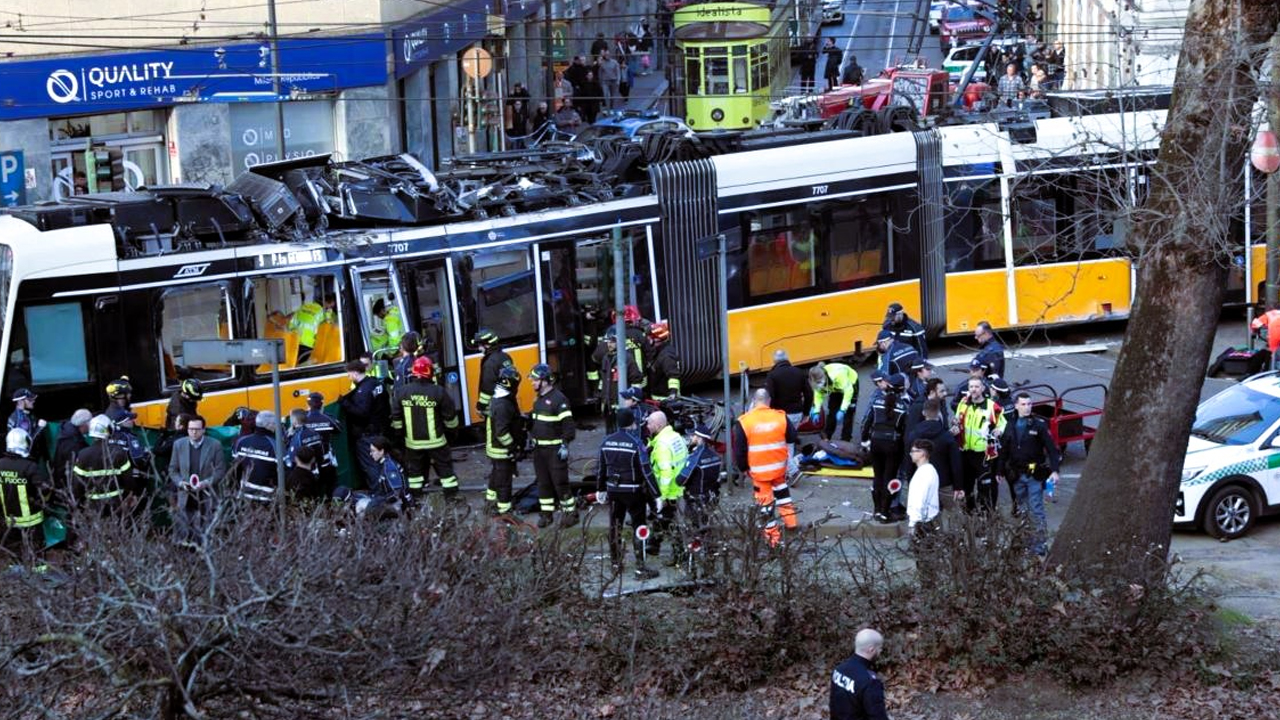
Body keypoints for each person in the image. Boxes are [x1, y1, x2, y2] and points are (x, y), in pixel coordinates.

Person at [596, 407, 660, 579]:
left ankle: (615, 564)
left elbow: (601, 468)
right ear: (632, 423)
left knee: (615, 526)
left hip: (613, 490)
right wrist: (657, 494)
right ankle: (640, 567)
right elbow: (647, 471)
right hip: (633, 491)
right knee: (639, 526)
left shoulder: (606, 441)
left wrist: (600, 489)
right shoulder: (636, 443)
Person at [733, 389, 800, 545]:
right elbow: (792, 438)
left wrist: (743, 468)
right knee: (784, 498)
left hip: (759, 472)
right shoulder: (780, 417)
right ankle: (791, 525)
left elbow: (739, 450)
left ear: (754, 402)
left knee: (765, 507)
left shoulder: (744, 421)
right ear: (769, 400)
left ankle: (773, 540)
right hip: (779, 470)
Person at [998, 392, 1060, 554]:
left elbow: (1052, 450)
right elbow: (1004, 449)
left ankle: (1039, 546)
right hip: (1016, 475)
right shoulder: (1010, 424)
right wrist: (999, 470)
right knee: (1023, 509)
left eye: (1029, 404)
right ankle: (1027, 541)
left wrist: (1055, 470)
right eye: (1023, 404)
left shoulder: (1038, 425)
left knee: (1036, 510)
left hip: (1034, 474)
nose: (1027, 407)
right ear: (1016, 406)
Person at [390, 356, 460, 501]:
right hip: (437, 442)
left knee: (415, 473)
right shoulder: (438, 392)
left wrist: (399, 437)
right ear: (430, 372)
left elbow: (396, 418)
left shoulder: (402, 392)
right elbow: (450, 417)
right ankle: (451, 498)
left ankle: (416, 499)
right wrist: (452, 433)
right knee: (445, 470)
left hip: (412, 443)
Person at [167, 415, 227, 548]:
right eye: (191, 429)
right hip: (185, 494)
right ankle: (185, 550)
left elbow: (220, 471)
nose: (193, 432)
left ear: (203, 430)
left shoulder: (214, 445)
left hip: (206, 494)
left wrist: (206, 483)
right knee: (184, 527)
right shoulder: (179, 444)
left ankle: (205, 551)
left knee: (205, 527)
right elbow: (173, 470)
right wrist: (181, 483)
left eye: (197, 429)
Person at [530, 363, 578, 527]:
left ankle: (571, 513)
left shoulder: (559, 399)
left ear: (545, 381)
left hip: (554, 450)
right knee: (543, 483)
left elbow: (569, 427)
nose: (532, 383)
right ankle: (546, 514)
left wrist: (564, 445)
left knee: (560, 483)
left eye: (535, 380)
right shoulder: (539, 400)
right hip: (539, 450)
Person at [861, 372, 909, 523]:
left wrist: (865, 441)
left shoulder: (877, 402)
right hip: (892, 444)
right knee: (890, 479)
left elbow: (867, 423)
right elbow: (904, 430)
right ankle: (885, 512)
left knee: (878, 477)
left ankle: (876, 510)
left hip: (875, 442)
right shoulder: (903, 406)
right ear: (902, 389)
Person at [954, 377, 1007, 512]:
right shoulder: (964, 402)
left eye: (977, 387)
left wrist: (998, 430)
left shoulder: (991, 406)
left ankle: (985, 515)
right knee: (967, 486)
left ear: (983, 388)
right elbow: (957, 419)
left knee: (984, 486)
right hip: (965, 451)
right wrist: (955, 425)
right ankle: (969, 513)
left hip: (983, 453)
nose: (973, 389)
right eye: (971, 387)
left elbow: (1002, 422)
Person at [341, 359, 390, 488]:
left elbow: (362, 412)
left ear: (356, 373)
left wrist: (345, 404)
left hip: (367, 434)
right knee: (381, 463)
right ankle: (387, 488)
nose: (348, 377)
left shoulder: (364, 389)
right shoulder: (375, 383)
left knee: (370, 465)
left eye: (349, 374)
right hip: (380, 430)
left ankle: (378, 492)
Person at [647, 410, 689, 565]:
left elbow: (665, 473)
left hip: (669, 492)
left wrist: (662, 496)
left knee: (670, 524)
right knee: (668, 522)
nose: (647, 425)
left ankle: (678, 555)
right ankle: (654, 545)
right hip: (679, 488)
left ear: (657, 425)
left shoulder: (662, 446)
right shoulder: (675, 437)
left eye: (649, 423)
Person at [72, 415, 134, 515]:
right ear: (109, 430)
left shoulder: (83, 455)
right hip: (116, 504)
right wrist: (128, 496)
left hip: (93, 506)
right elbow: (129, 480)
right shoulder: (119, 452)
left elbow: (77, 485)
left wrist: (80, 505)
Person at [0, 428, 48, 559]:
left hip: (10, 519)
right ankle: (40, 574)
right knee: (37, 551)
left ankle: (16, 574)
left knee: (14, 551)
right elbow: (44, 489)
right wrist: (45, 502)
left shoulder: (0, 465)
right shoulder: (29, 466)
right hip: (32, 519)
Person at [484, 366, 523, 517]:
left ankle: (490, 503)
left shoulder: (498, 399)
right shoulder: (503, 405)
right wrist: (513, 447)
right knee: (504, 482)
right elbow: (502, 433)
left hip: (495, 449)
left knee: (496, 477)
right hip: (502, 450)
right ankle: (505, 511)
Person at [904, 399, 961, 496]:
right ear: (939, 413)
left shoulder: (913, 435)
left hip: (921, 481)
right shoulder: (947, 436)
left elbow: (909, 461)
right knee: (950, 510)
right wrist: (958, 486)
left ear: (923, 413)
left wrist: (911, 483)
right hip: (944, 482)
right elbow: (956, 463)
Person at [829, 628, 888, 720]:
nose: (880, 652)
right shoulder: (870, 682)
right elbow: (877, 716)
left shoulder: (839, 670)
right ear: (871, 649)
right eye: (880, 648)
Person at [595, 328, 645, 433]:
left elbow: (636, 379)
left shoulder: (627, 358)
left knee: (623, 432)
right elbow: (604, 380)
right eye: (608, 341)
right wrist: (601, 397)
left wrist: (633, 399)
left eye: (613, 341)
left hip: (622, 405)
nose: (609, 344)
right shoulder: (606, 358)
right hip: (609, 405)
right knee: (610, 432)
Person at [677, 423, 722, 538]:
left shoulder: (695, 457)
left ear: (699, 438)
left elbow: (681, 480)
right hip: (712, 497)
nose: (691, 438)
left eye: (693, 435)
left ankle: (696, 551)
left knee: (694, 530)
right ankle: (710, 551)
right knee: (708, 527)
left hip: (695, 499)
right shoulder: (715, 455)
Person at [233, 411, 281, 504]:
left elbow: (235, 469)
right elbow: (282, 473)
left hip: (244, 495)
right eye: (275, 424)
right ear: (269, 425)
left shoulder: (241, 441)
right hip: (267, 498)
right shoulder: (275, 445)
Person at [809, 362, 859, 443]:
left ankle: (845, 439)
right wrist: (816, 411)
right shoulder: (817, 382)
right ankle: (827, 437)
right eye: (816, 384)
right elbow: (818, 396)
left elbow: (848, 392)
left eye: (819, 383)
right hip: (834, 388)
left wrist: (843, 409)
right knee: (832, 412)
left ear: (824, 377)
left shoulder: (838, 375)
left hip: (850, 383)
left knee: (848, 414)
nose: (819, 386)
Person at [302, 392, 342, 494]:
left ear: (308, 405)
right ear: (322, 405)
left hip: (308, 463)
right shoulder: (327, 418)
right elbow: (338, 429)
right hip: (326, 461)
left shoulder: (302, 420)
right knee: (331, 487)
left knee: (313, 490)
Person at [282, 294, 336, 364]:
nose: (330, 309)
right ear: (326, 302)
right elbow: (329, 332)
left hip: (293, 342)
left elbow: (291, 324)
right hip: (308, 346)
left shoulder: (304, 306)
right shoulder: (324, 313)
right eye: (330, 306)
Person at [474, 328, 514, 417]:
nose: (479, 348)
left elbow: (487, 388)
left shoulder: (490, 363)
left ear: (487, 345)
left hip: (495, 408)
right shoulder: (505, 356)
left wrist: (481, 407)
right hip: (509, 403)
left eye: (480, 345)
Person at [766, 349, 810, 428]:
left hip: (779, 414)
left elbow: (770, 396)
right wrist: (806, 412)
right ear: (787, 359)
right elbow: (809, 394)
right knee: (792, 435)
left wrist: (770, 413)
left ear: (774, 361)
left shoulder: (772, 375)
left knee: (782, 438)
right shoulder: (799, 372)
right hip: (797, 412)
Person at [905, 439, 940, 535]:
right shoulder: (930, 470)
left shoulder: (923, 474)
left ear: (922, 453)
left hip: (921, 523)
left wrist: (912, 523)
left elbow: (919, 499)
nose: (910, 454)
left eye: (913, 451)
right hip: (929, 520)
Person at [53, 409, 92, 492]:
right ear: (83, 425)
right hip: (68, 485)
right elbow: (74, 469)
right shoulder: (73, 443)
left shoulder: (67, 434)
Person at [647, 321, 682, 401]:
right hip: (658, 395)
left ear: (656, 340)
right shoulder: (658, 351)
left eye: (649, 339)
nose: (648, 341)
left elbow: (673, 375)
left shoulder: (666, 356)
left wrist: (672, 393)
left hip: (665, 398)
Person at [8, 389, 47, 454]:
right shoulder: (21, 420)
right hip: (24, 458)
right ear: (21, 402)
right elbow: (27, 443)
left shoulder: (25, 415)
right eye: (29, 399)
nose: (33, 401)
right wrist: (40, 428)